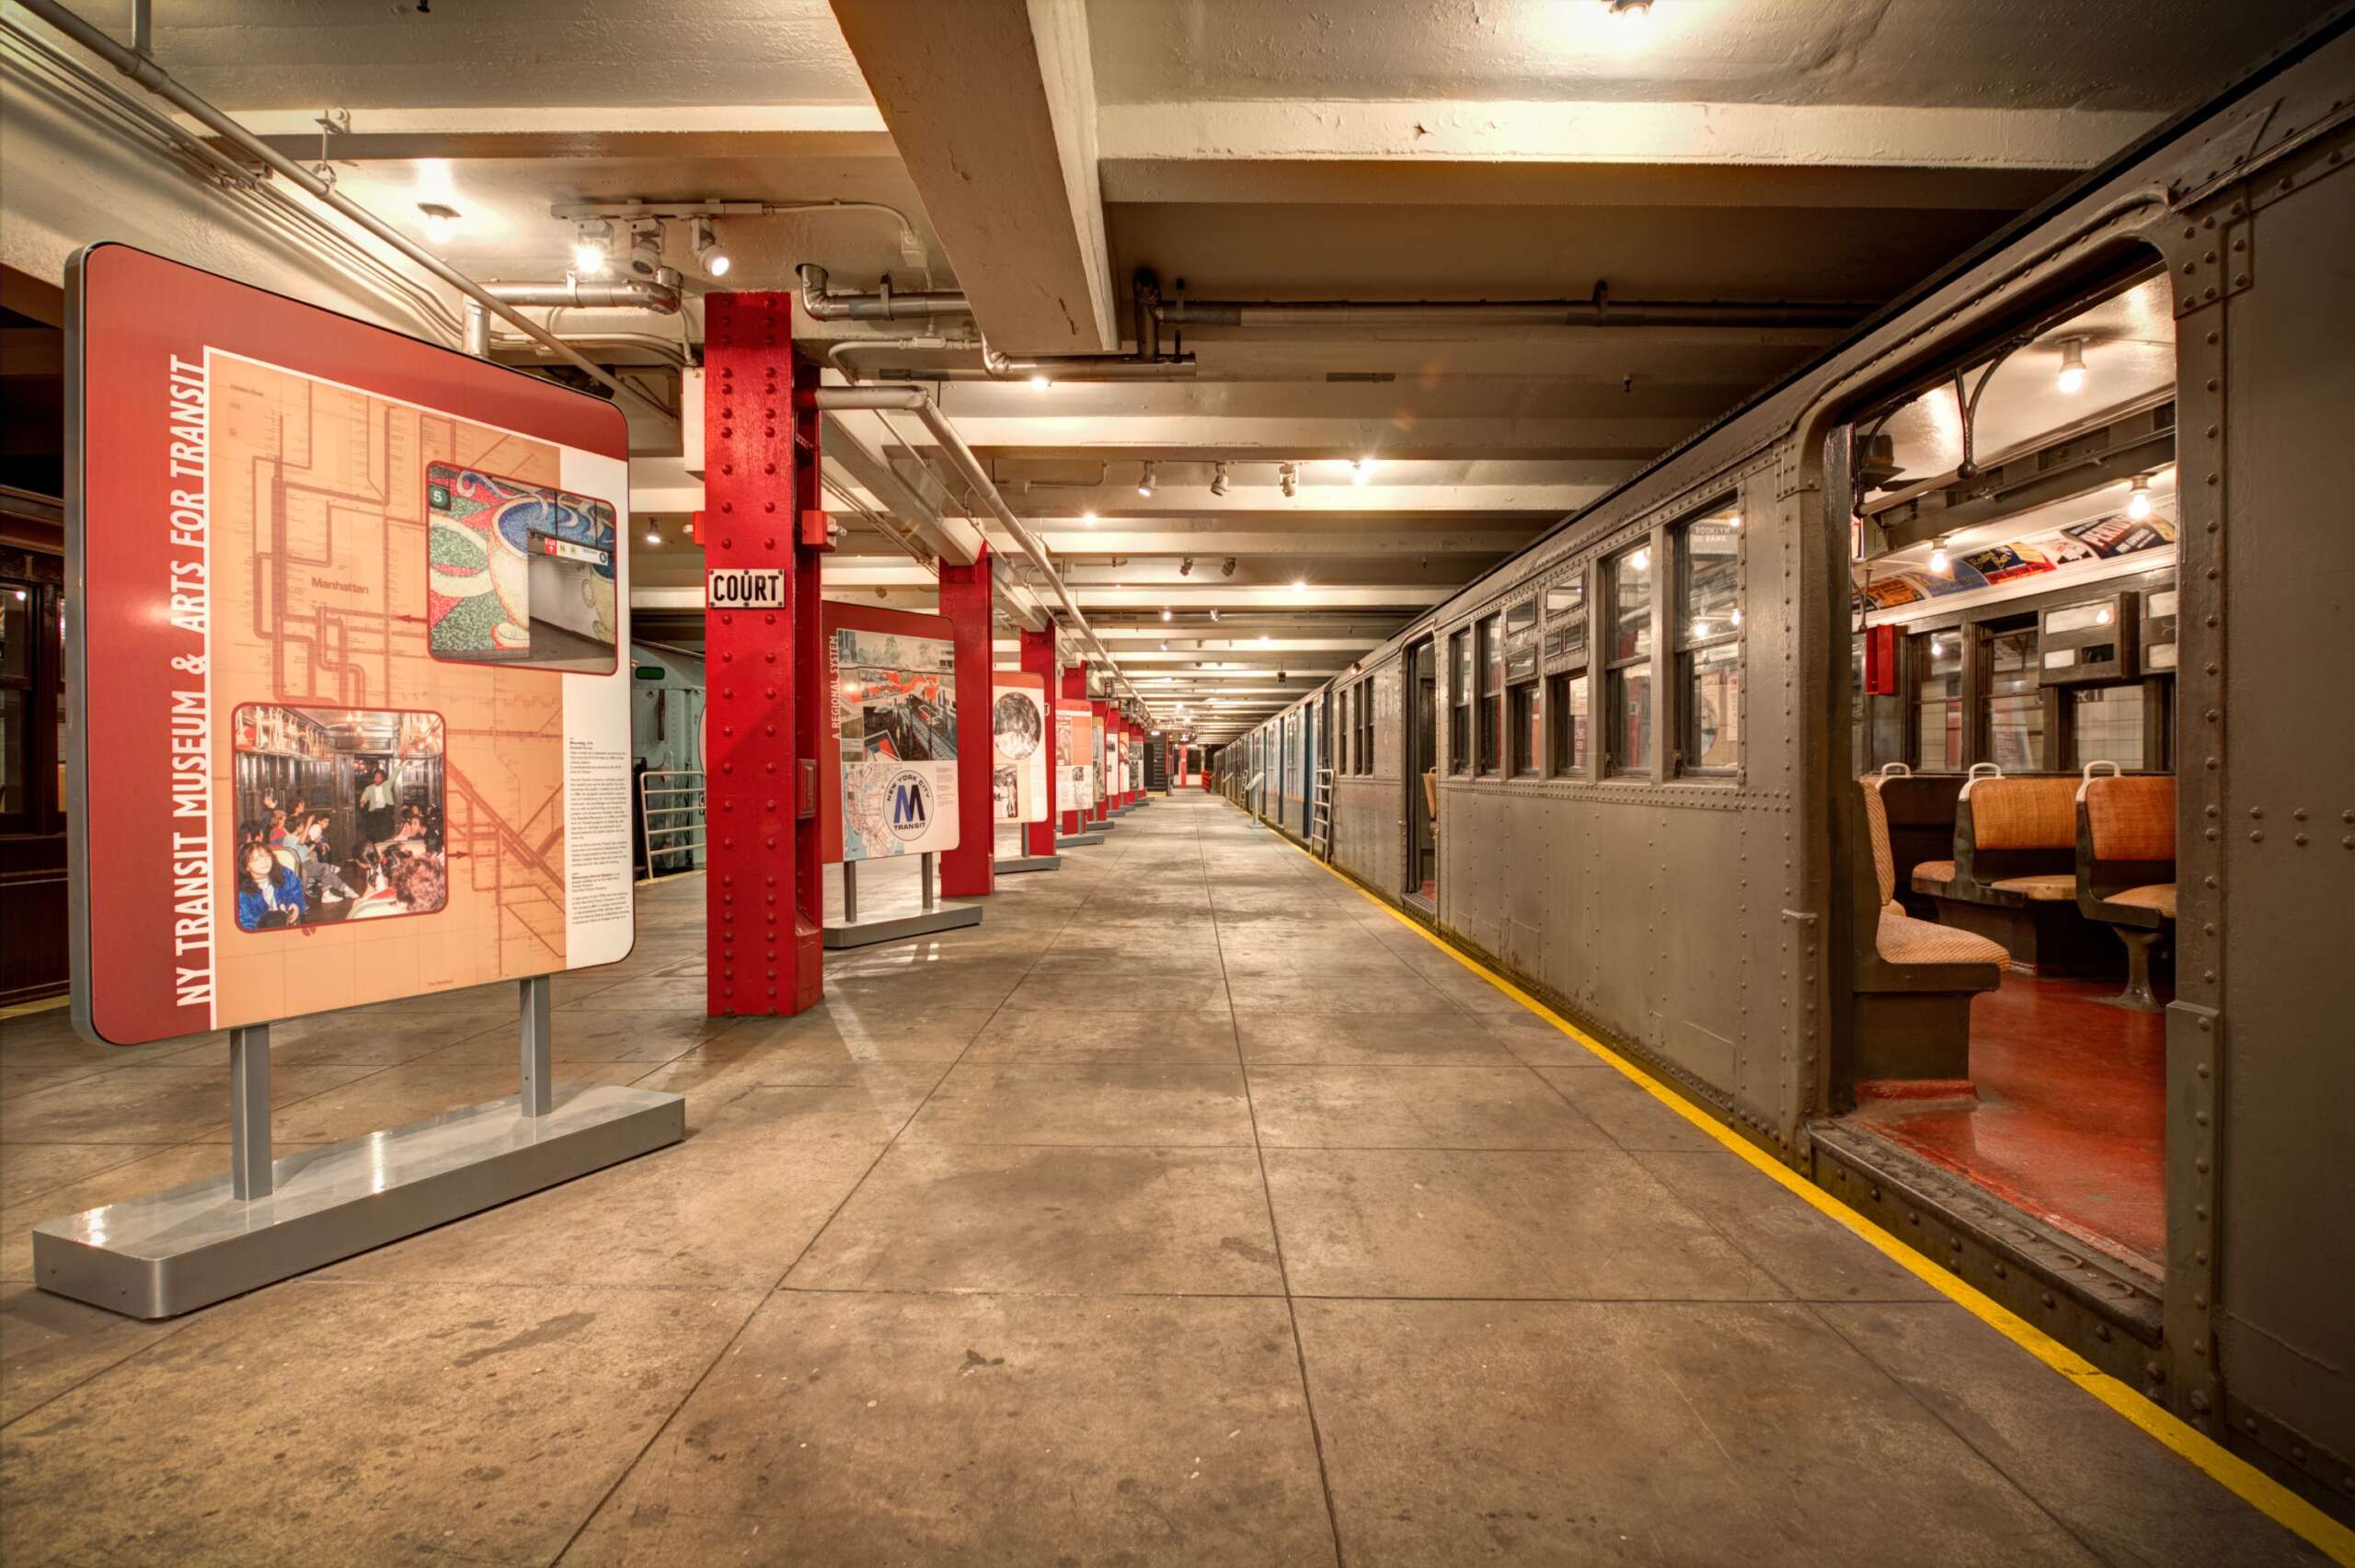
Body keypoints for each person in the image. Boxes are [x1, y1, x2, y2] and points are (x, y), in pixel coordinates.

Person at [235, 841, 306, 931]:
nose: (264, 861)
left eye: (266, 855)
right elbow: (246, 923)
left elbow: (294, 891)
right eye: (256, 859)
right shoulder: (241, 892)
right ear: (246, 867)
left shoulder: (284, 873)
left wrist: (295, 904)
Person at [359, 764, 396, 842]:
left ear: (383, 778)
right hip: (373, 814)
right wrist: (363, 801)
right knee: (373, 835)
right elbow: (365, 796)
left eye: (379, 776)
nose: (377, 778)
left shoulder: (386, 785)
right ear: (373, 778)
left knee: (384, 835)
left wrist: (401, 764)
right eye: (376, 777)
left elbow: (394, 775)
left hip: (385, 813)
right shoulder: (370, 788)